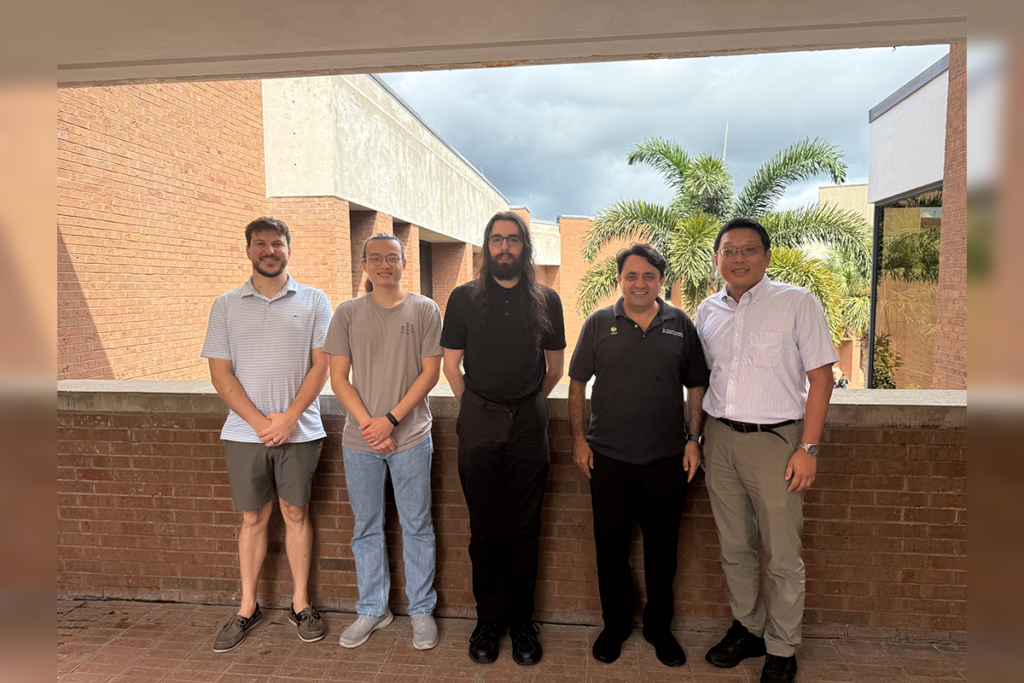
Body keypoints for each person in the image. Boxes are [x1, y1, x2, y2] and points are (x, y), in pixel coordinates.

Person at [694, 217, 837, 683]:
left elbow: (820, 378)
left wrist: (808, 448)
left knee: (781, 553)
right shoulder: (707, 311)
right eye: (729, 250)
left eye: (749, 249)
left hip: (777, 443)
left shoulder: (796, 303)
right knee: (735, 547)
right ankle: (748, 628)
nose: (738, 258)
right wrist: (695, 438)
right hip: (719, 439)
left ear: (767, 256)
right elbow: (701, 381)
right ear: (717, 259)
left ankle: (782, 646)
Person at [568, 243, 710, 668]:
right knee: (610, 548)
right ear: (620, 280)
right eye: (631, 275)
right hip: (607, 458)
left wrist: (693, 439)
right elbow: (576, 386)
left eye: (649, 276)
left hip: (668, 459)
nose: (640, 283)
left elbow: (696, 386)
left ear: (661, 280)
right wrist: (579, 441)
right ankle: (615, 626)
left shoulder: (680, 323)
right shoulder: (598, 324)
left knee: (663, 551)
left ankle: (658, 628)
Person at [440, 211, 566, 666]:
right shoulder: (463, 299)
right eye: (497, 240)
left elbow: (555, 369)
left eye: (513, 240)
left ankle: (523, 623)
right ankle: (488, 621)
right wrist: (478, 405)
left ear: (525, 247)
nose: (505, 247)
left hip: (530, 424)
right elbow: (450, 366)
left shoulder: (547, 300)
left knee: (525, 528)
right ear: (486, 246)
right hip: (479, 421)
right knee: (486, 529)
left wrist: (526, 402)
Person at [201, 217, 332, 652]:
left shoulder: (315, 300)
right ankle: (247, 607)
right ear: (249, 250)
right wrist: (262, 424)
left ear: (289, 249)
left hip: (301, 431)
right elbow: (220, 374)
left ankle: (300, 603)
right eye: (261, 244)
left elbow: (323, 366)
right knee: (253, 518)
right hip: (244, 434)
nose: (269, 250)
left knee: (296, 514)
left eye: (277, 243)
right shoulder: (225, 304)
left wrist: (289, 418)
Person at [324, 232, 443, 650]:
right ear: (364, 265)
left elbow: (430, 374)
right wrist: (370, 425)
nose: (384, 265)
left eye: (392, 258)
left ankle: (422, 609)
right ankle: (373, 609)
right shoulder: (347, 313)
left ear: (404, 262)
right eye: (375, 259)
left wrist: (390, 421)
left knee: (417, 525)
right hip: (360, 444)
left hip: (410, 437)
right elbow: (338, 378)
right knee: (366, 527)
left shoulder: (426, 309)